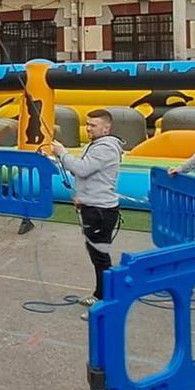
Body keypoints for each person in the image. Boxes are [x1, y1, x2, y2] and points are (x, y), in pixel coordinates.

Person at [50, 109, 124, 316]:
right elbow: (82, 173)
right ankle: (100, 294)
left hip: (100, 210)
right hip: (92, 206)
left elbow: (82, 169)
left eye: (93, 125)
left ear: (106, 128)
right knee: (96, 255)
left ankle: (107, 303)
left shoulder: (105, 148)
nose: (88, 128)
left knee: (101, 256)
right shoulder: (95, 145)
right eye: (88, 124)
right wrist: (81, 196)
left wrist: (62, 153)